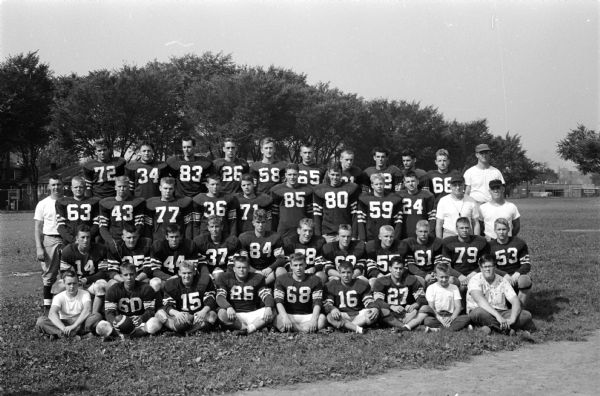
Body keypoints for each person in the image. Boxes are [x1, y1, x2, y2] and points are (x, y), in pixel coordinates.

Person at [467, 254, 535, 336]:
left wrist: (512, 319)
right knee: (479, 313)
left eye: (490, 266)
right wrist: (498, 317)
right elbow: (479, 300)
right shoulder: (475, 279)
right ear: (481, 268)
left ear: (495, 267)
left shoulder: (502, 280)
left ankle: (492, 328)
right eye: (485, 267)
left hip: (501, 311)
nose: (487, 269)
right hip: (482, 310)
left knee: (526, 315)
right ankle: (507, 330)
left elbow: (515, 300)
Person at [96, 262, 163, 339]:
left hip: (139, 323)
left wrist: (142, 318)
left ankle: (121, 335)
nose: (129, 277)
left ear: (136, 274)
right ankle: (135, 334)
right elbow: (109, 312)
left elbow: (150, 311)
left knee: (155, 322)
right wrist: (114, 322)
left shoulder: (145, 288)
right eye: (126, 275)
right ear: (121, 276)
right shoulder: (113, 290)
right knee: (101, 326)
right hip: (120, 323)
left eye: (131, 274)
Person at [55, 225, 109, 314]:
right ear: (77, 238)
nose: (85, 240)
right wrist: (75, 281)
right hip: (75, 281)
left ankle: (93, 315)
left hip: (93, 281)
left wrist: (87, 279)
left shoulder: (100, 249)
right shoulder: (68, 251)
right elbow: (64, 273)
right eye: (82, 237)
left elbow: (103, 272)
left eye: (88, 237)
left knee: (101, 285)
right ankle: (61, 314)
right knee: (59, 286)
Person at [215, 256, 275, 335]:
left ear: (249, 268)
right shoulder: (225, 277)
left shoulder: (257, 277)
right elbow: (220, 297)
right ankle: (245, 327)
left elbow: (266, 295)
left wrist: (268, 307)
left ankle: (248, 329)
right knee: (222, 313)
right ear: (234, 269)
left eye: (244, 267)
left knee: (272, 310)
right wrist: (228, 307)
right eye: (239, 267)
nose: (241, 270)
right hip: (234, 315)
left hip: (252, 313)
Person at [36, 270, 102, 339]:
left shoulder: (85, 293)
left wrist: (73, 326)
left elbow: (87, 310)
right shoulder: (58, 297)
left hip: (80, 322)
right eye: (69, 284)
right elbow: (52, 314)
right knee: (41, 321)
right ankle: (75, 336)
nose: (72, 286)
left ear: (78, 283)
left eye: (74, 283)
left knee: (97, 316)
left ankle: (59, 334)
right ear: (64, 283)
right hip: (64, 322)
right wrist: (63, 328)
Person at [155, 260, 218, 334]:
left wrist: (203, 311)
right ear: (179, 273)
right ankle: (192, 328)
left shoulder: (203, 281)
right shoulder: (172, 284)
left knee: (212, 317)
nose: (187, 276)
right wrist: (177, 313)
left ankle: (186, 330)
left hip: (199, 314)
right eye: (184, 273)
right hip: (182, 314)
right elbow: (168, 304)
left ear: (194, 272)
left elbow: (211, 298)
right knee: (160, 314)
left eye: (189, 273)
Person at [274, 252, 327, 333]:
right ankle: (305, 330)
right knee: (278, 319)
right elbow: (278, 301)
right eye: (295, 265)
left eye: (301, 265)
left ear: (305, 265)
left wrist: (313, 319)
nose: (298, 268)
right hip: (289, 314)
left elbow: (317, 302)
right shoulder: (282, 279)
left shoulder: (315, 279)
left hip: (308, 315)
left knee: (322, 319)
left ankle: (294, 329)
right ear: (291, 266)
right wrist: (285, 317)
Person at [373, 256, 428, 332]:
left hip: (407, 314)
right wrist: (391, 306)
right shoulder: (381, 281)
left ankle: (407, 326)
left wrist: (416, 304)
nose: (398, 271)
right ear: (390, 268)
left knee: (425, 308)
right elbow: (378, 301)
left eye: (400, 268)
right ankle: (407, 327)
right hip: (390, 315)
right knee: (382, 311)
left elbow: (422, 298)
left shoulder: (411, 279)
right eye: (395, 268)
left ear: (404, 269)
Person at [34, 174, 64, 312]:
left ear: (63, 185)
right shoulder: (43, 203)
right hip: (50, 239)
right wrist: (39, 247)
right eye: (53, 184)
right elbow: (38, 228)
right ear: (48, 186)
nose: (56, 187)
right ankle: (47, 306)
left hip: (66, 239)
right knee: (49, 275)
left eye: (58, 184)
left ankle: (67, 304)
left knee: (69, 272)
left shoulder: (68, 201)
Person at [323, 260, 379, 334]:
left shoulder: (361, 283)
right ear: (339, 273)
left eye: (348, 272)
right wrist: (332, 308)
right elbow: (327, 304)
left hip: (358, 314)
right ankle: (358, 329)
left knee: (372, 313)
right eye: (343, 272)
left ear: (353, 273)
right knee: (330, 317)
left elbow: (368, 300)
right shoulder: (332, 285)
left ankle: (347, 328)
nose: (346, 275)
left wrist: (374, 307)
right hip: (342, 315)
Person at [488, 218, 532, 306]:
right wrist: (504, 274)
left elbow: (526, 264)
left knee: (525, 281)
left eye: (504, 229)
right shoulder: (489, 246)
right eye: (499, 229)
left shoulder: (519, 243)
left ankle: (519, 310)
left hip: (516, 275)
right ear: (494, 230)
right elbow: (489, 266)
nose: (501, 232)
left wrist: (518, 273)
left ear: (508, 229)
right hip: (498, 276)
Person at [312, 161, 360, 242]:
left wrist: (354, 235)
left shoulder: (351, 188)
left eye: (337, 175)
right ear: (328, 174)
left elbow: (355, 213)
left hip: (345, 232)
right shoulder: (319, 189)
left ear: (341, 174)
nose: (335, 177)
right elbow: (317, 215)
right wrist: (318, 235)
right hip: (328, 233)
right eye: (332, 174)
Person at [238, 209, 286, 285]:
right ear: (253, 223)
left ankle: (278, 294)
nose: (260, 225)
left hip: (268, 273)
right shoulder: (244, 237)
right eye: (258, 222)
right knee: (240, 268)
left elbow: (281, 259)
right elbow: (242, 261)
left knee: (281, 271)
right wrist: (255, 271)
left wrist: (270, 268)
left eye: (263, 222)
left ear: (266, 222)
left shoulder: (275, 237)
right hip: (251, 271)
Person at [442, 217, 489, 293]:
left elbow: (485, 263)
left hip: (475, 274)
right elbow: (445, 265)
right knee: (450, 280)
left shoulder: (480, 241)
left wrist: (474, 273)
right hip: (457, 275)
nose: (464, 230)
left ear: (470, 228)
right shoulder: (448, 242)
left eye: (467, 228)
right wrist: (459, 276)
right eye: (462, 228)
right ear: (456, 229)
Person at [97, 176, 145, 245]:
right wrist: (111, 241)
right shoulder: (105, 203)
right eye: (119, 186)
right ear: (115, 187)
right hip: (114, 238)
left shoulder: (137, 202)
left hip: (131, 239)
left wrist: (133, 238)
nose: (122, 189)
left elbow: (139, 224)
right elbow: (103, 226)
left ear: (129, 187)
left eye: (124, 186)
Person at [423, 262, 470, 332]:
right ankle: (456, 328)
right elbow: (431, 307)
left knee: (466, 318)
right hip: (437, 315)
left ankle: (438, 329)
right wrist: (440, 319)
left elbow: (458, 307)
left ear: (449, 275)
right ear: (436, 276)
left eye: (446, 277)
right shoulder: (431, 288)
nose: (444, 280)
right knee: (428, 321)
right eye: (441, 277)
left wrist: (452, 318)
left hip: (451, 314)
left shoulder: (454, 288)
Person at [148, 224, 198, 289]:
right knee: (155, 283)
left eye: (176, 237)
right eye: (171, 237)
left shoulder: (189, 246)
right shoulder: (158, 246)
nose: (174, 239)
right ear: (166, 237)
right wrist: (170, 278)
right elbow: (155, 270)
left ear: (181, 236)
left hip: (184, 278)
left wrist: (178, 277)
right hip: (165, 280)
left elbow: (193, 268)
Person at [270, 163, 313, 238]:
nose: (292, 177)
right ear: (286, 175)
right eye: (289, 174)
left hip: (302, 228)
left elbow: (310, 214)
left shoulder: (307, 190)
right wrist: (273, 231)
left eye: (294, 174)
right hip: (284, 229)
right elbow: (274, 215)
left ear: (298, 175)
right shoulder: (277, 190)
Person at [356, 172, 403, 242]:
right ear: (372, 185)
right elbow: (361, 221)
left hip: (388, 237)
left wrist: (395, 239)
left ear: (384, 184)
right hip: (371, 236)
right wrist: (363, 239)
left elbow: (398, 221)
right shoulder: (364, 199)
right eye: (376, 184)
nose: (379, 186)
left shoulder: (394, 199)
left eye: (381, 184)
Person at [193, 215, 241, 282]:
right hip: (207, 272)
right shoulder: (200, 241)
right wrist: (206, 274)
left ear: (222, 227)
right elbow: (201, 263)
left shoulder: (231, 241)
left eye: (217, 226)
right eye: (212, 227)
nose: (214, 229)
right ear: (208, 228)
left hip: (225, 272)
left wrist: (228, 274)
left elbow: (232, 262)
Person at [145, 176, 193, 241]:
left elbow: (188, 225)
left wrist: (187, 240)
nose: (167, 191)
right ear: (160, 188)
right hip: (158, 239)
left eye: (170, 189)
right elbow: (148, 227)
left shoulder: (182, 203)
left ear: (174, 189)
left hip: (176, 239)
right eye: (165, 188)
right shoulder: (151, 203)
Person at [55, 176, 100, 244]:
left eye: (81, 187)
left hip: (88, 241)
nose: (78, 189)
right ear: (71, 188)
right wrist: (72, 240)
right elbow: (60, 226)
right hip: (69, 242)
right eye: (76, 187)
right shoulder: (62, 202)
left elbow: (96, 224)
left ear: (85, 188)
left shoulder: (94, 202)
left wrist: (87, 237)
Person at [192, 173, 239, 238]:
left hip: (223, 232)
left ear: (221, 185)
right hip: (205, 232)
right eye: (212, 184)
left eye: (217, 184)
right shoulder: (199, 199)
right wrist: (196, 238)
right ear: (207, 185)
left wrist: (233, 236)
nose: (215, 187)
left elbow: (232, 220)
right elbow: (196, 223)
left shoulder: (228, 198)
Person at [282, 218, 327, 283]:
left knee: (321, 275)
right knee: (280, 271)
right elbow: (286, 261)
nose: (308, 234)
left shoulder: (319, 241)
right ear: (298, 231)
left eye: (310, 231)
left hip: (311, 273)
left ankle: (316, 292)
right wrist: (297, 270)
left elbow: (321, 259)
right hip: (294, 272)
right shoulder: (290, 241)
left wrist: (314, 268)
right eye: (305, 230)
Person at [404, 220, 445, 289]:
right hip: (417, 274)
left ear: (429, 232)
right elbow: (410, 265)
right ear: (416, 232)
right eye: (420, 231)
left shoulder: (436, 242)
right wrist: (425, 275)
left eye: (425, 231)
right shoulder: (409, 243)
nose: (423, 234)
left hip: (432, 273)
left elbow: (438, 262)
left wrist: (434, 273)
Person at [397, 171, 436, 239]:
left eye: (413, 181)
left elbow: (432, 218)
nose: (411, 184)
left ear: (418, 181)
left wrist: (430, 234)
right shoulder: (399, 196)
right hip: (404, 234)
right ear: (405, 184)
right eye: (408, 182)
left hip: (422, 235)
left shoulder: (427, 195)